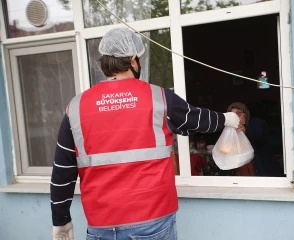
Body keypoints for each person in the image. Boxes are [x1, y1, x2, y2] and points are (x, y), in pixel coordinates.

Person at [51, 28, 240, 240]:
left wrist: (61, 220)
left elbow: (62, 173)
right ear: (133, 60)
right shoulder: (159, 97)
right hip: (152, 223)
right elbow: (196, 119)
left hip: (100, 226)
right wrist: (226, 119)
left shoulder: (76, 107)